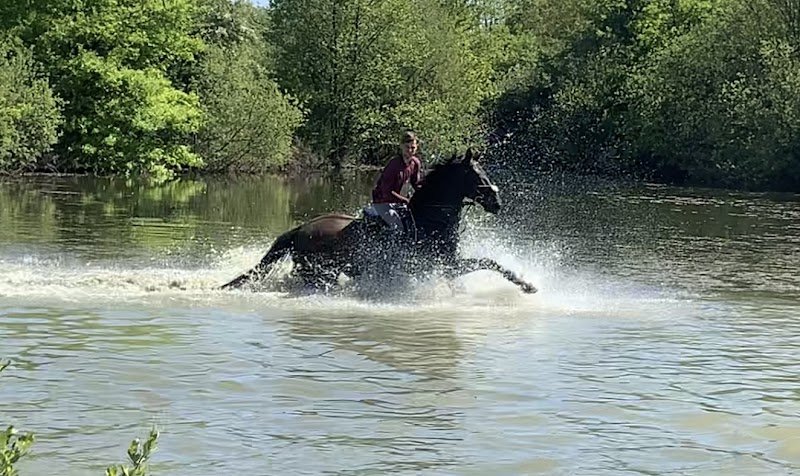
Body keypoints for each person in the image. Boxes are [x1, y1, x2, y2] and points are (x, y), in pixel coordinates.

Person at [365, 130, 422, 231]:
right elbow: (387, 192)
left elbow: (416, 184)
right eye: (407, 147)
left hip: (398, 203)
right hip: (382, 202)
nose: (410, 150)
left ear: (416, 147)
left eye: (412, 148)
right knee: (398, 227)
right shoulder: (393, 165)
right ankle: (392, 246)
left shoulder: (415, 163)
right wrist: (405, 200)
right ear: (401, 146)